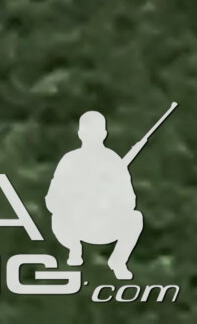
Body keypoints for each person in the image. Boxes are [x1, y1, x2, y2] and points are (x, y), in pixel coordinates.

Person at [48, 113, 143, 280]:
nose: (91, 135)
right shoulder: (70, 160)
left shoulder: (113, 161)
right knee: (58, 217)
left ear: (104, 134)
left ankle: (118, 261)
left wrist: (110, 196)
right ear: (80, 133)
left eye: (96, 131)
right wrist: (77, 197)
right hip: (75, 226)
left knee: (135, 218)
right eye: (87, 131)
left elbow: (130, 202)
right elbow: (52, 199)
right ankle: (74, 249)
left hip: (104, 225)